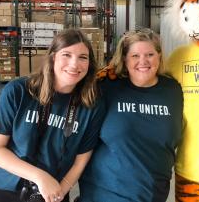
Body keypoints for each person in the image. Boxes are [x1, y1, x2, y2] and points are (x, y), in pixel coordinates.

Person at [0, 29, 106, 202]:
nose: (74, 64)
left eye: (83, 57)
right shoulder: (18, 91)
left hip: (53, 193)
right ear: (53, 57)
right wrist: (40, 177)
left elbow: (80, 161)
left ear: (89, 64)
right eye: (67, 54)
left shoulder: (91, 106)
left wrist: (59, 192)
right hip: (4, 189)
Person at [78, 28, 183, 202]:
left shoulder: (174, 90)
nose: (143, 61)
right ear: (125, 59)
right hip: (104, 193)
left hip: (153, 193)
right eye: (135, 56)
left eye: (150, 54)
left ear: (159, 56)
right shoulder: (106, 87)